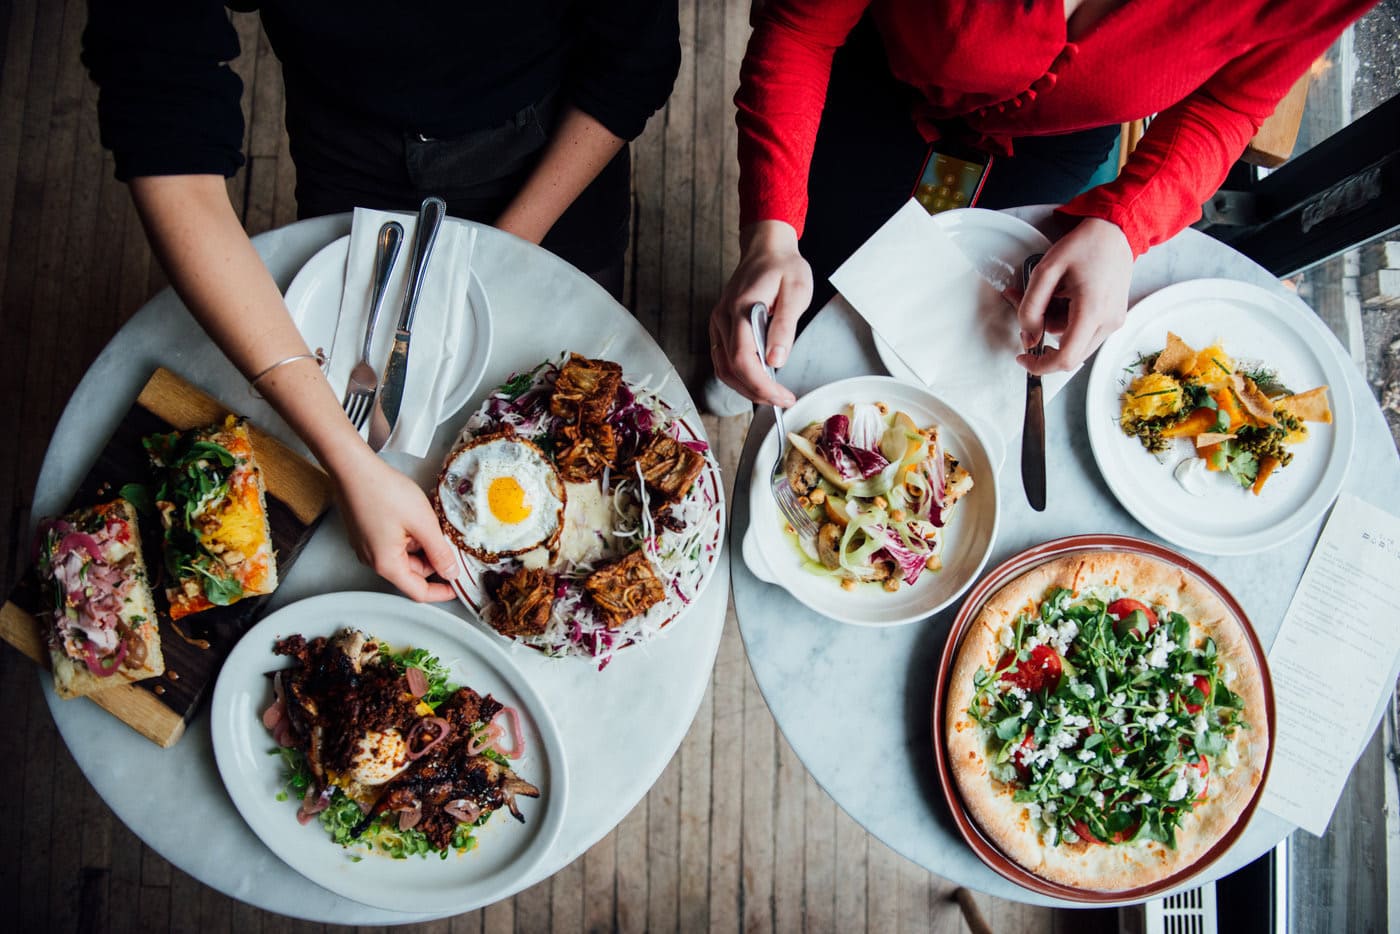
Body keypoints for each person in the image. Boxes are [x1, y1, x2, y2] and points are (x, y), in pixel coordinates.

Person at [81, 1, 680, 600]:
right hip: (343, 138)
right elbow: (164, 126)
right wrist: (350, 462)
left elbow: (632, 61)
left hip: (553, 135)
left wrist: (506, 251)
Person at [709, 0, 1377, 409]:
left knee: (990, 316)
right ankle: (760, 353)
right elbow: (800, 29)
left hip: (1056, 138)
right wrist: (772, 232)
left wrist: (1124, 224)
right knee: (821, 245)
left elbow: (1230, 104)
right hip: (876, 78)